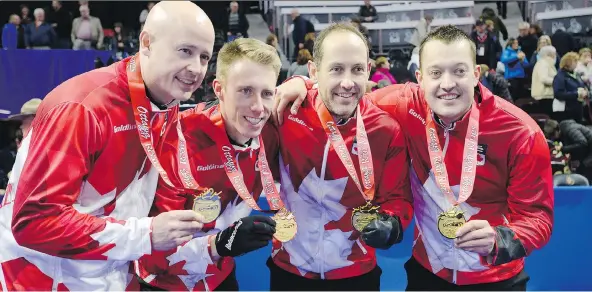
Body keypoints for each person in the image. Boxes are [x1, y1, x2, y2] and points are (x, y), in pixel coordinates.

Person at [275, 25, 554, 291]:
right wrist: (302, 83)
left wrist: (500, 239)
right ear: (420, 78)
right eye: (436, 73)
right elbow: (346, 96)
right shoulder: (403, 105)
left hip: (497, 279)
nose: (447, 84)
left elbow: (538, 218)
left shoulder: (520, 132)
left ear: (476, 74)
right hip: (426, 275)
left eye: (459, 71)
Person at [0, 2, 215, 290]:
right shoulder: (82, 107)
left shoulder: (163, 105)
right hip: (45, 279)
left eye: (204, 57)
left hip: (110, 275)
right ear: (147, 43)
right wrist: (146, 236)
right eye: (185, 51)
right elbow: (34, 222)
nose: (196, 69)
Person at [268, 22, 413, 291]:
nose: (347, 83)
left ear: (368, 71)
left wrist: (392, 224)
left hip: (357, 273)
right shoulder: (287, 111)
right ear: (314, 71)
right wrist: (294, 82)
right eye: (336, 69)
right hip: (289, 270)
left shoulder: (386, 129)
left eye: (357, 69)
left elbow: (397, 199)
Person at [137, 37, 283, 291]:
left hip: (220, 277)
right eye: (245, 91)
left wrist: (302, 83)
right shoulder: (177, 141)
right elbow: (154, 248)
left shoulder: (269, 132)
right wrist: (219, 245)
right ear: (219, 89)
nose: (258, 107)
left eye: (267, 93)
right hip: (163, 283)